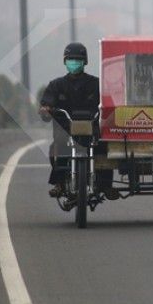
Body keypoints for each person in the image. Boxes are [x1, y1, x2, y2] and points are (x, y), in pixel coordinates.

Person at [38, 43, 115, 199]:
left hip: (92, 130)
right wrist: (45, 109)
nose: (74, 62)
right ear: (65, 61)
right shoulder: (56, 85)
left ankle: (106, 185)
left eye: (78, 59)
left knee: (105, 148)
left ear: (84, 62)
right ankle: (59, 183)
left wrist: (112, 111)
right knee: (56, 150)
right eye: (71, 59)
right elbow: (46, 104)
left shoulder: (96, 84)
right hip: (65, 132)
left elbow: (109, 104)